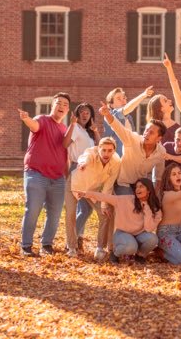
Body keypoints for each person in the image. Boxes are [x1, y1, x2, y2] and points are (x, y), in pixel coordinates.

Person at [18, 92, 71, 257]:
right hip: (36, 174)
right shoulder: (42, 119)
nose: (61, 106)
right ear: (52, 105)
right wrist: (26, 119)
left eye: (64, 104)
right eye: (58, 103)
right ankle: (26, 246)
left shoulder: (64, 129)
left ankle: (46, 245)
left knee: (54, 214)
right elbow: (34, 126)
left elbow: (66, 155)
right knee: (33, 209)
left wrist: (67, 175)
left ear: (68, 110)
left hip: (58, 178)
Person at [77, 178, 161, 264]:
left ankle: (140, 256)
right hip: (122, 234)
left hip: (140, 234)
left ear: (149, 190)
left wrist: (146, 207)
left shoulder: (155, 208)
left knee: (153, 239)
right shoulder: (127, 200)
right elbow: (105, 197)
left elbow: (148, 228)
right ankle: (115, 253)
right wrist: (87, 193)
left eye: (141, 186)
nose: (137, 189)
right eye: (136, 187)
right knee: (132, 247)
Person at [66, 137, 121, 259]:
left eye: (110, 150)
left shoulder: (116, 162)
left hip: (92, 190)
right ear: (99, 149)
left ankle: (100, 248)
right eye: (104, 150)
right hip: (75, 184)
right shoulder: (91, 152)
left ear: (114, 150)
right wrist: (83, 163)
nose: (106, 153)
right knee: (70, 214)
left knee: (105, 213)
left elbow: (108, 185)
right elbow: (85, 157)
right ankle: (71, 247)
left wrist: (103, 205)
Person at [99, 102, 166, 194]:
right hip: (122, 182)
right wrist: (107, 114)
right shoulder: (132, 139)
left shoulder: (161, 152)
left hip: (139, 185)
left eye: (151, 132)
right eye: (146, 130)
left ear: (159, 138)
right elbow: (117, 126)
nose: (146, 134)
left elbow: (158, 177)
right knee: (130, 203)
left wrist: (155, 195)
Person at [62, 102, 100, 253]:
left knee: (85, 209)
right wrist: (71, 125)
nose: (85, 114)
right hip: (77, 168)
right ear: (77, 115)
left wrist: (96, 131)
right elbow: (65, 144)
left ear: (91, 116)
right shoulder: (76, 129)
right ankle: (73, 240)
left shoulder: (88, 132)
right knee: (82, 209)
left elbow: (99, 147)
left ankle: (76, 239)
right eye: (82, 112)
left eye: (88, 113)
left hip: (90, 171)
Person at [103, 86, 154, 156]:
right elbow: (127, 109)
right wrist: (143, 95)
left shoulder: (129, 118)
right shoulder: (110, 116)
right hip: (117, 158)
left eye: (124, 98)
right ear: (111, 105)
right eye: (118, 99)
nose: (123, 100)